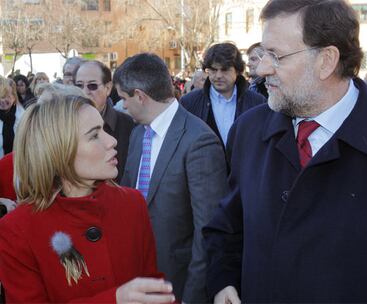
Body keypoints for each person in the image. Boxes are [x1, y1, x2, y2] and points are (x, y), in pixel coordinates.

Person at [203, 0, 367, 302]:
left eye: (276, 56)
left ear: (326, 60)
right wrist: (223, 280)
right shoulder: (249, 130)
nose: (261, 68)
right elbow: (227, 228)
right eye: (263, 53)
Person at [0, 93, 175, 303]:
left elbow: (153, 286)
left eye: (104, 130)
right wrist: (114, 300)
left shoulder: (132, 203)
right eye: (94, 135)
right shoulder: (16, 230)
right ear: (58, 150)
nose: (112, 141)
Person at [114, 53, 228, 303]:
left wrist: (193, 295)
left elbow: (206, 230)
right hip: (135, 278)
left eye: (124, 98)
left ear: (140, 96)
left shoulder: (199, 141)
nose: (122, 106)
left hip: (177, 284)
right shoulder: (137, 135)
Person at [181, 42, 266, 148]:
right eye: (213, 70)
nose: (218, 75)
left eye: (224, 70)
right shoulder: (189, 102)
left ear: (238, 71)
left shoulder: (257, 102)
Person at [74, 60, 135, 182]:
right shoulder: (64, 125)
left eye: (92, 86)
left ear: (108, 88)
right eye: (79, 85)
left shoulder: (128, 126)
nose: (85, 92)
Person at [0, 77, 25, 158]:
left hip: (18, 164)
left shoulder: (23, 117)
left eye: (7, 96)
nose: (2, 100)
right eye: (0, 96)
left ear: (14, 97)